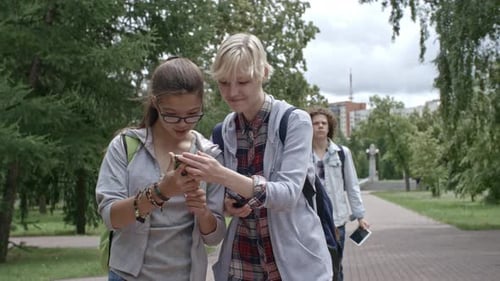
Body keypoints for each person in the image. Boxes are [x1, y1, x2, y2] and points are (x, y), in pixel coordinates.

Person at [177, 33, 333, 280]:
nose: (232, 92)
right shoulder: (222, 131)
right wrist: (227, 205)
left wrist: (222, 175)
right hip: (241, 262)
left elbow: (287, 194)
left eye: (243, 81)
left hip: (294, 266)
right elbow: (221, 207)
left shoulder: (294, 121)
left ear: (264, 73)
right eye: (224, 82)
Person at [95, 57, 226, 281]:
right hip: (128, 275)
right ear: (155, 103)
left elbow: (214, 237)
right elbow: (111, 217)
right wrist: (161, 192)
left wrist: (203, 212)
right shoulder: (125, 146)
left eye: (193, 114)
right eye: (172, 115)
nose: (183, 123)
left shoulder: (208, 155)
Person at [308, 107, 370, 281]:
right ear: (308, 127)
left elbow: (352, 185)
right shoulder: (301, 153)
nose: (320, 126)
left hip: (336, 221)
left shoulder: (342, 153)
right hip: (310, 219)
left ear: (329, 127)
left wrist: (360, 216)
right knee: (314, 265)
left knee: (335, 265)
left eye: (323, 123)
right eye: (315, 123)